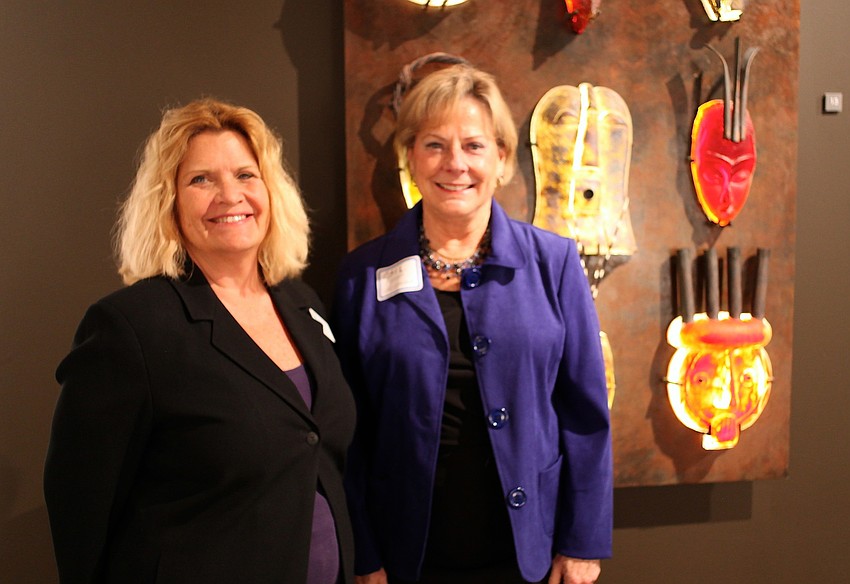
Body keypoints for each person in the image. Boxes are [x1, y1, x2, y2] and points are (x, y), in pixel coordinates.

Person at [44, 98, 356, 584]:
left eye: (246, 175)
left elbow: (319, 452)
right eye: (201, 180)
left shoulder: (302, 303)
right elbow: (80, 503)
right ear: (168, 202)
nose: (230, 195)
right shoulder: (132, 326)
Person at [332, 65, 612, 584]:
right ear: (410, 156)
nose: (455, 163)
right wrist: (363, 552)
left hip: (528, 551)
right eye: (434, 145)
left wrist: (582, 542)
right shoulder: (361, 276)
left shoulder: (553, 263)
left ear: (501, 158)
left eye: (474, 146)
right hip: (404, 555)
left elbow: (585, 414)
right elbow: (348, 430)